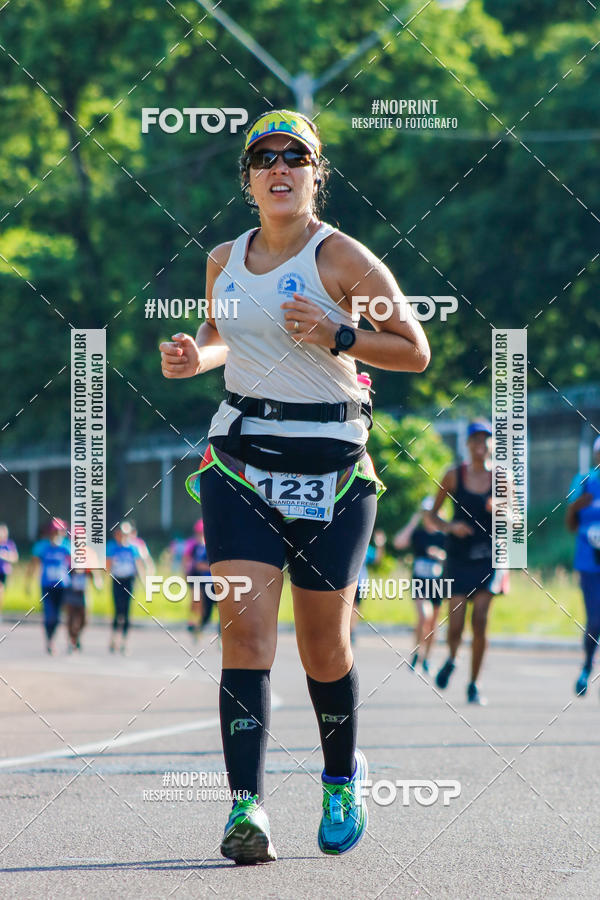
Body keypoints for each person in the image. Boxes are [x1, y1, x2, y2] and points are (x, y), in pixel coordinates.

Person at [161, 108, 430, 863]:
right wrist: (196, 358)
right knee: (245, 633)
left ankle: (341, 779)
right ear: (248, 179)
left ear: (317, 175)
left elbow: (414, 350)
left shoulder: (341, 257)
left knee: (324, 648)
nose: (280, 168)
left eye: (295, 157)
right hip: (240, 462)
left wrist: (340, 333)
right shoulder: (224, 258)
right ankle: (246, 808)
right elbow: (222, 335)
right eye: (265, 158)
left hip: (333, 471)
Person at [425, 421, 509, 705]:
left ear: (492, 445)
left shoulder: (501, 478)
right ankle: (452, 658)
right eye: (475, 440)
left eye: (485, 440)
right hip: (459, 557)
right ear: (468, 444)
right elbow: (431, 515)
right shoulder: (453, 475)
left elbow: (516, 520)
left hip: (488, 558)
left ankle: (474, 684)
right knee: (456, 623)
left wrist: (500, 509)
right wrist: (451, 527)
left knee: (481, 620)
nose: (480, 445)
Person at [394, 496, 446, 673]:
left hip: (439, 583)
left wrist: (440, 556)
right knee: (424, 616)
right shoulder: (418, 534)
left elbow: (454, 557)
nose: (428, 516)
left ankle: (427, 658)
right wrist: (413, 520)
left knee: (434, 622)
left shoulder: (444, 536)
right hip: (420, 581)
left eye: (432, 513)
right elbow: (399, 542)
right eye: (425, 513)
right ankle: (416, 652)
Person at [566, 434, 600, 697]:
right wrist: (575, 506)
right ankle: (587, 665)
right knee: (596, 619)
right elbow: (570, 525)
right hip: (590, 562)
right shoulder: (585, 481)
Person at [28, 518, 71, 654]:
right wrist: (28, 582)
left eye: (59, 531)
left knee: (58, 616)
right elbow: (33, 565)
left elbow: (75, 565)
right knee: (49, 615)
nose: (56, 534)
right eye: (54, 531)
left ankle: (55, 639)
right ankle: (49, 640)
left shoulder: (67, 547)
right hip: (47, 585)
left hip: (62, 585)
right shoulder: (41, 547)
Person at [106, 522, 146, 654]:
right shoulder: (112, 547)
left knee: (127, 611)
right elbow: (108, 565)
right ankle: (114, 638)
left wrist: (143, 581)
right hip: (117, 580)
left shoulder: (133, 548)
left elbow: (138, 564)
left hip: (129, 580)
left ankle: (124, 641)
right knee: (117, 610)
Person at [350, 529, 386, 643]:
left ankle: (351, 631)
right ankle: (346, 630)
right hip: (347, 582)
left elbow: (377, 559)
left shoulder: (365, 548)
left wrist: (380, 545)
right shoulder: (347, 546)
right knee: (348, 607)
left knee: (355, 608)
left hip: (360, 583)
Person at [182, 519, 214, 635]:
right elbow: (187, 560)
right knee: (196, 600)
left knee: (206, 605)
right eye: (198, 533)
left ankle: (199, 623)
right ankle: (193, 621)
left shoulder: (211, 544)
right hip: (196, 577)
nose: (200, 535)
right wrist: (186, 573)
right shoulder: (193, 545)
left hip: (210, 580)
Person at [0, 523, 18, 622]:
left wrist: (5, 556)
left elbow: (15, 558)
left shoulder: (9, 544)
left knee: (1, 591)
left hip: (3, 572)